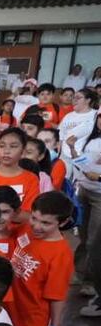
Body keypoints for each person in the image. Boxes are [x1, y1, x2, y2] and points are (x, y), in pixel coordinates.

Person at [8, 192, 74, 326]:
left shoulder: (61, 254)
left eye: (45, 223)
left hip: (31, 323)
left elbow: (57, 296)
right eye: (34, 218)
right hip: (8, 310)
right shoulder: (25, 229)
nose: (36, 226)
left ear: (63, 223)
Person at [66, 116, 101, 315]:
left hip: (99, 195)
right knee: (84, 235)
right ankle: (80, 274)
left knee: (95, 241)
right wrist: (72, 149)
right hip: (85, 191)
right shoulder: (92, 139)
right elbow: (84, 163)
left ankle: (91, 282)